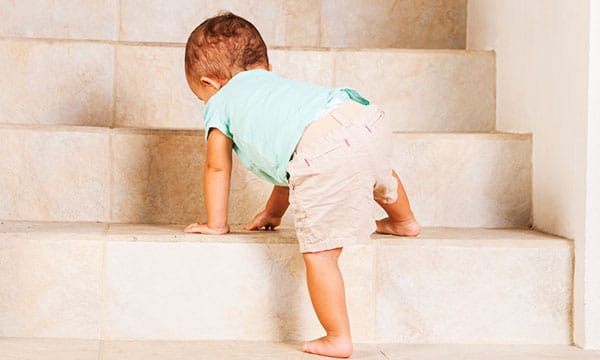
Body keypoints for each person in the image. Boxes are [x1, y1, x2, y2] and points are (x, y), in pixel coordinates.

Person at [183, 12, 420, 358]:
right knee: (376, 169)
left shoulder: (221, 103)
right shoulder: (277, 87)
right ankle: (404, 221)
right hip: (362, 116)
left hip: (323, 151)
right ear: (262, 62)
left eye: (199, 97)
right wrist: (273, 213)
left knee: (320, 252)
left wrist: (216, 224)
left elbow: (217, 167)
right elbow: (294, 162)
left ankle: (337, 335)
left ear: (209, 84)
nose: (205, 104)